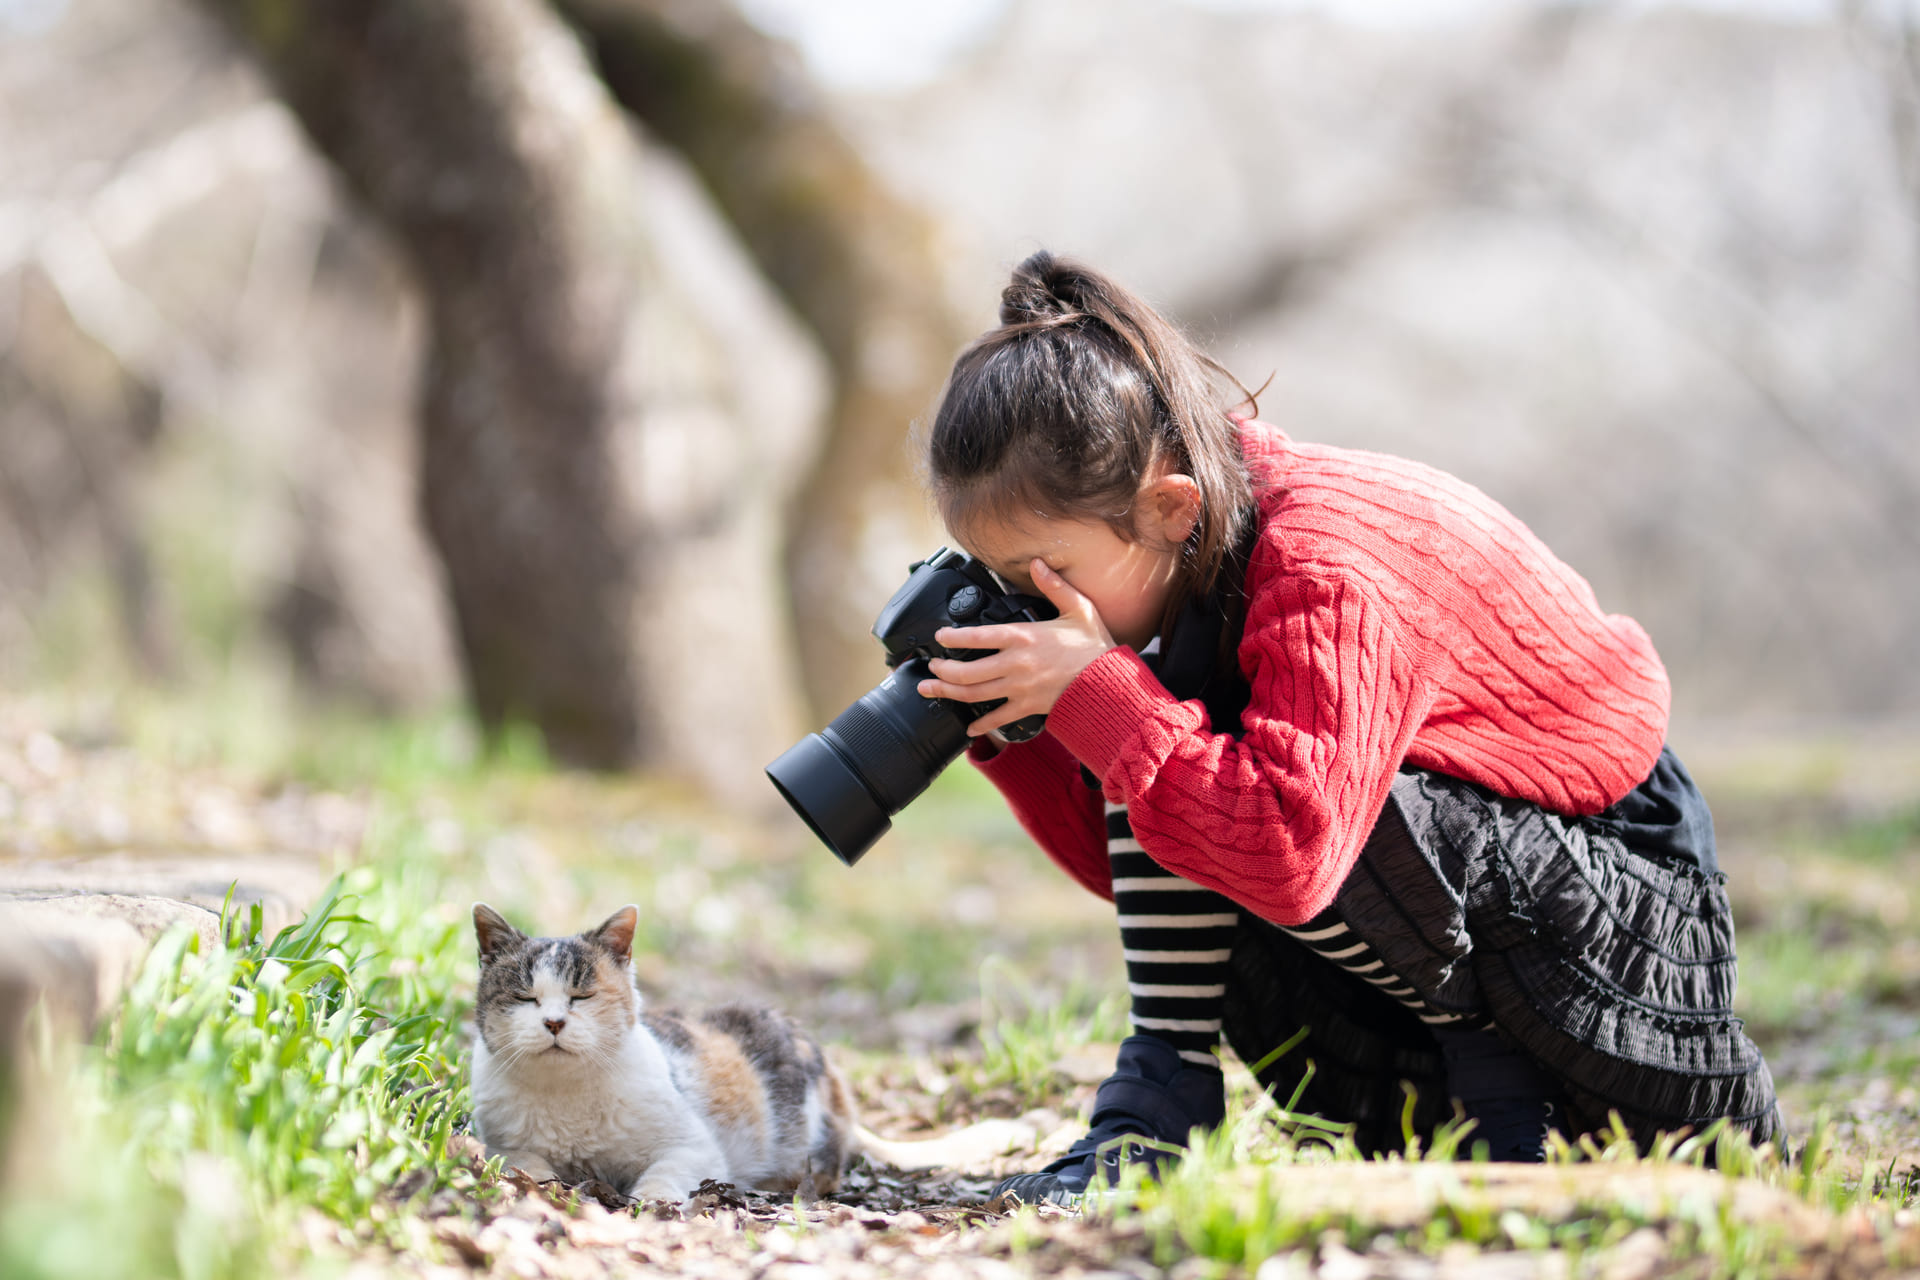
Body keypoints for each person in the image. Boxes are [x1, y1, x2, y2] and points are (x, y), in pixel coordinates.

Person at [912, 250, 1781, 1207]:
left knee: (1211, 763)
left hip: (1614, 906)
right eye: (1000, 575)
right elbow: (1145, 850)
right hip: (1438, 939)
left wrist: (1106, 702)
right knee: (1167, 743)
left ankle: (1514, 1115)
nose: (1030, 602)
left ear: (1169, 508)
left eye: (1044, 569)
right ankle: (1156, 1110)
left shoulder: (1321, 565)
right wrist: (1015, 723)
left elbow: (1286, 849)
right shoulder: (1181, 570)